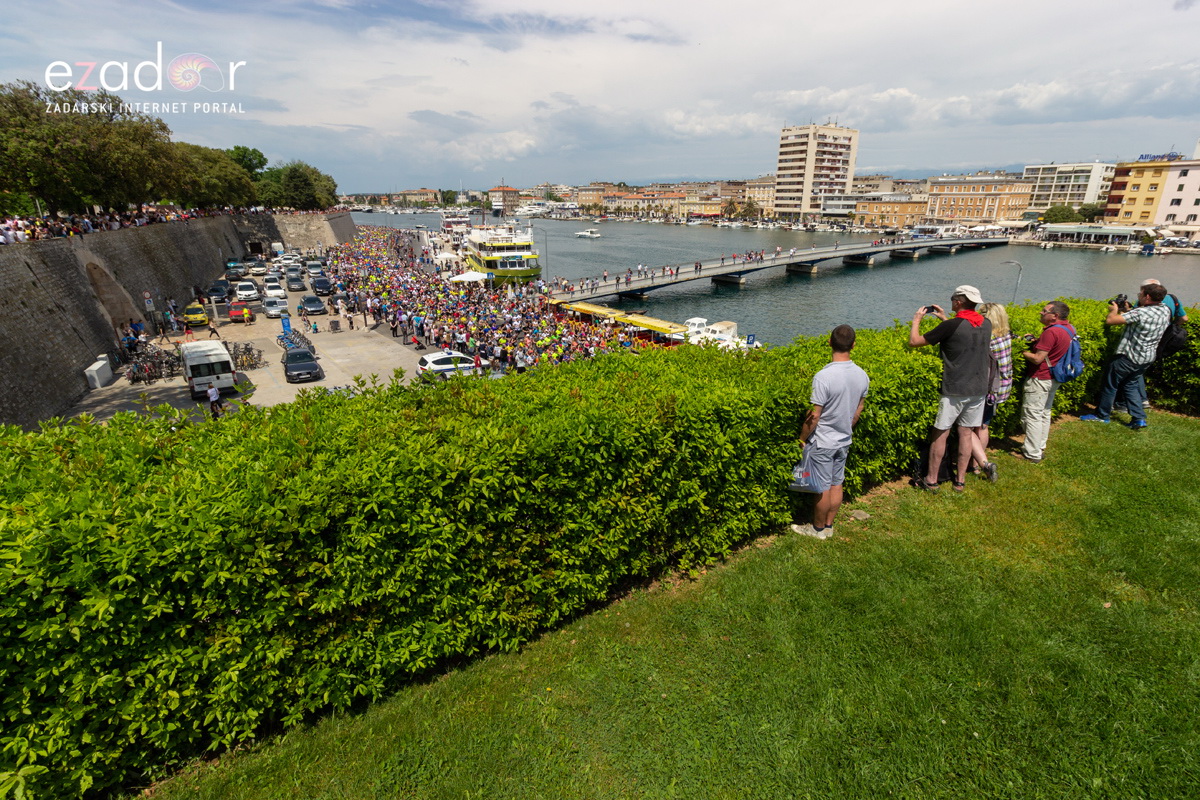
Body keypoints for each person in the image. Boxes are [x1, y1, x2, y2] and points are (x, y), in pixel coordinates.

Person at [908, 285, 996, 492]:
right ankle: (960, 481)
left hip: (954, 388)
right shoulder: (986, 324)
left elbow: (914, 342)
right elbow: (961, 332)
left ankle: (931, 480)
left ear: (958, 302)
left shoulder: (951, 326)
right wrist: (945, 319)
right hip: (978, 388)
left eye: (952, 299)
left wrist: (917, 320)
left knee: (941, 433)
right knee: (966, 433)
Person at [791, 324, 869, 540]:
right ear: (853, 345)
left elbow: (814, 416)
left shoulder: (823, 376)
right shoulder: (862, 375)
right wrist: (847, 428)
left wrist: (801, 438)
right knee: (836, 483)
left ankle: (817, 530)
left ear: (829, 343)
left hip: (823, 441)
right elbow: (858, 409)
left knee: (822, 487)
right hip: (844, 439)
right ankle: (828, 526)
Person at [1081, 282, 1171, 429]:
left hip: (1129, 357)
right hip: (1147, 357)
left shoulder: (1141, 313)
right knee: (1130, 385)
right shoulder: (1165, 310)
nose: (1139, 295)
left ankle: (1102, 415)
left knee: (1110, 384)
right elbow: (1138, 317)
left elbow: (1111, 320)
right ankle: (1139, 418)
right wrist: (1128, 310)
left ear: (1147, 297)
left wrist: (1114, 310)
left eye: (1141, 293)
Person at [1016, 301, 1073, 463]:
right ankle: (1039, 446)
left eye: (1044, 311)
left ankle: (1032, 453)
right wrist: (1036, 342)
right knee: (1044, 412)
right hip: (1054, 377)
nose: (1041, 313)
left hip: (1040, 377)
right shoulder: (1068, 328)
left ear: (1055, 316)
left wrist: (1021, 350)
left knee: (1031, 415)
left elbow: (1037, 358)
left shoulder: (1051, 332)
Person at [971, 302, 1013, 472]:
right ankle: (977, 464)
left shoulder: (988, 338)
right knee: (983, 425)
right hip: (1000, 389)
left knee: (969, 426)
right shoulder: (1006, 335)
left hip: (986, 389)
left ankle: (979, 464)